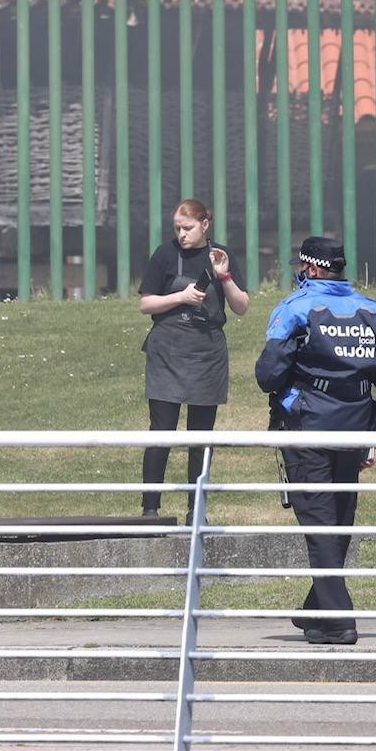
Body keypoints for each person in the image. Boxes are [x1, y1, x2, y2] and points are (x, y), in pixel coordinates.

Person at [254, 236, 376, 646]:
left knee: (322, 528)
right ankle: (315, 610)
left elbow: (267, 376)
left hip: (306, 432)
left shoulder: (295, 309)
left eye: (301, 269)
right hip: (355, 432)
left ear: (313, 269)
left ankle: (339, 621)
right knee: (338, 525)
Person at [138, 199, 249, 522]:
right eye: (177, 228)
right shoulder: (164, 254)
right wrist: (181, 297)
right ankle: (150, 509)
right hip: (167, 350)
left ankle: (195, 510)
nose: (182, 234)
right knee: (162, 432)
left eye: (187, 228)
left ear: (205, 224)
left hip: (207, 353)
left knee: (201, 436)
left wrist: (225, 276)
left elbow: (242, 307)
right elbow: (146, 303)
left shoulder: (220, 255)